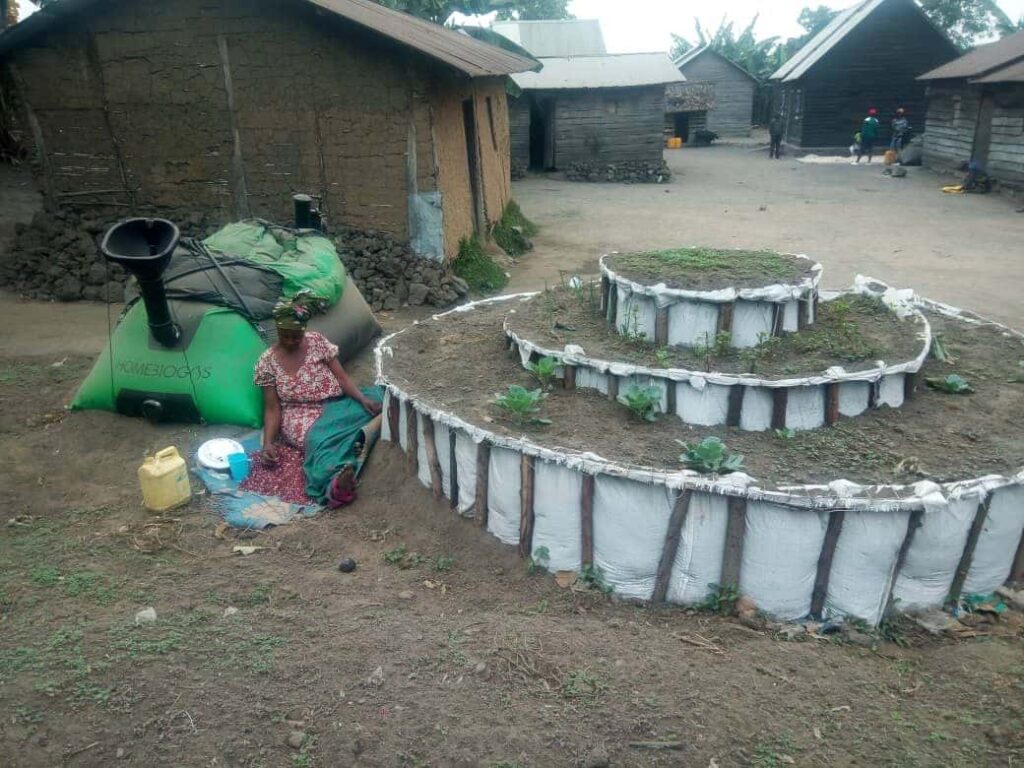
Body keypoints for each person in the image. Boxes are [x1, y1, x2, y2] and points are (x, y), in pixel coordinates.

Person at [253, 290, 382, 508]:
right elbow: (273, 409)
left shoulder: (317, 342)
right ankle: (334, 482)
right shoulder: (267, 363)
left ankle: (361, 435)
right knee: (320, 442)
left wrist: (361, 399)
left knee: (379, 396)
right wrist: (268, 443)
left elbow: (341, 377)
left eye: (297, 336)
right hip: (300, 416)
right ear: (277, 330)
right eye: (286, 336)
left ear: (304, 331)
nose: (292, 341)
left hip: (334, 403)